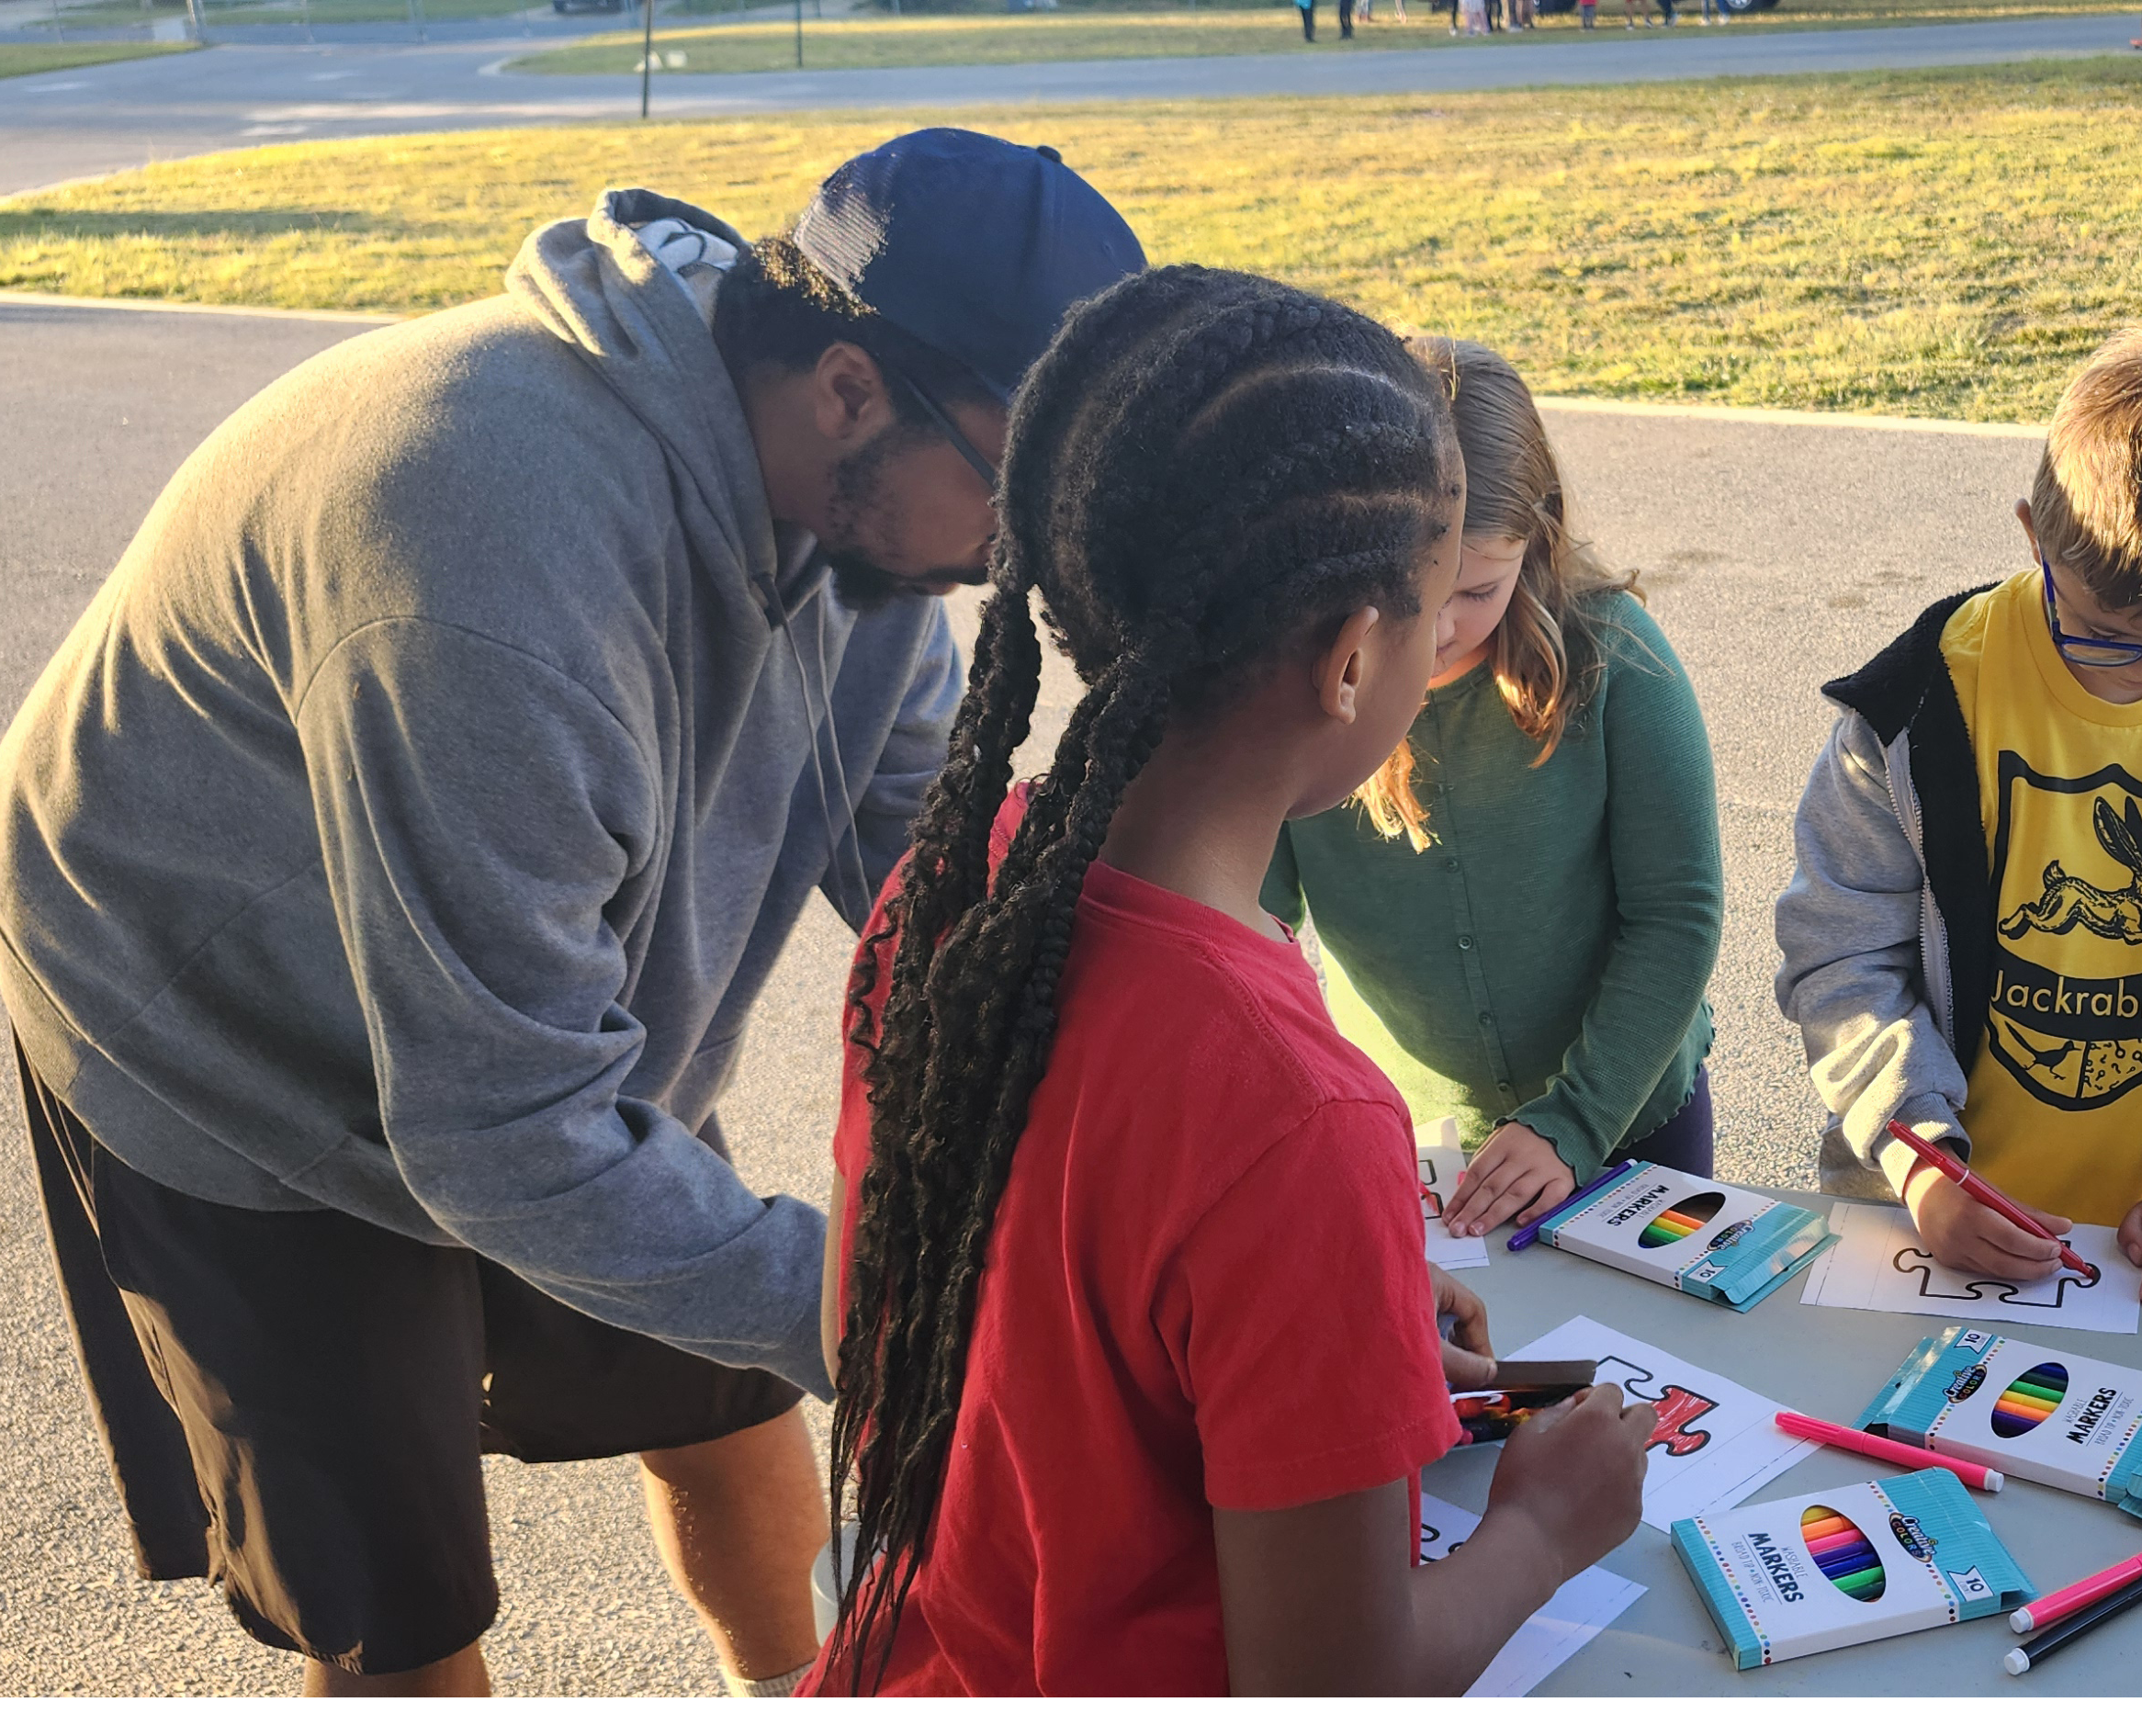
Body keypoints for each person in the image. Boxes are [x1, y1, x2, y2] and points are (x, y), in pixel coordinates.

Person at [0, 129, 1145, 1697]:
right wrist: (919, 1311)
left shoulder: (863, 512)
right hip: (228, 1027)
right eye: (1017, 492)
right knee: (400, 1603)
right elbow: (508, 1135)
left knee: (736, 1411)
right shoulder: (486, 552)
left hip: (527, 1010)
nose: (1021, 557)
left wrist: (1182, 1186)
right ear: (848, 389)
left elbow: (938, 874)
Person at [806, 268, 1652, 1696]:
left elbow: (866, 1324)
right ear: (1347, 662)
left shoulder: (946, 890)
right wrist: (1539, 1530)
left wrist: (1329, 1351)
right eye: (1436, 596)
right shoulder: (1292, 1114)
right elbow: (1334, 1690)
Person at [1774, 331, 2142, 1321]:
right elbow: (1840, 958)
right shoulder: (1918, 704)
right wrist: (1919, 1156)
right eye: (2101, 636)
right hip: (1920, 1209)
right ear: (2031, 534)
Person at [1263, 338, 1722, 1240]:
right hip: (1412, 1151)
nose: (1433, 631)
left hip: (1628, 1123)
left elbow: (1678, 913)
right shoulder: (1289, 685)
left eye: (1474, 589)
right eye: (1401, 590)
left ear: (1538, 535)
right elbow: (1248, 926)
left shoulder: (1617, 656)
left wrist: (1575, 1120)